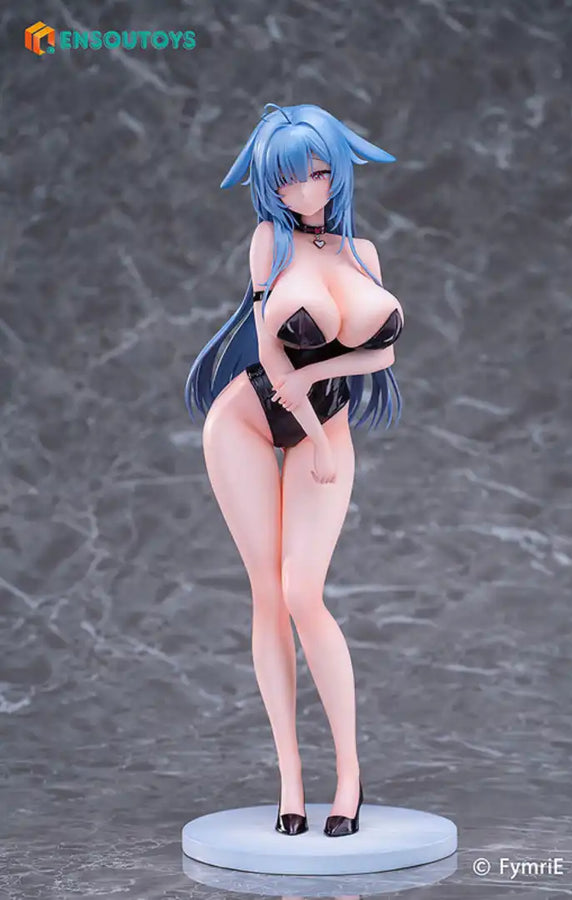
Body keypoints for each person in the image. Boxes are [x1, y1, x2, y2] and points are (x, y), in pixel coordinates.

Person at [185, 102, 404, 837]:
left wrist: (318, 383)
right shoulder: (267, 243)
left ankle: (349, 776)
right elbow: (270, 355)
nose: (305, 190)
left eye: (317, 173)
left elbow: (382, 354)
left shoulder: (361, 252)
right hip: (248, 419)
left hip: (324, 424)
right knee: (266, 594)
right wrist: (308, 416)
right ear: (268, 186)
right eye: (286, 180)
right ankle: (289, 779)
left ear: (339, 169)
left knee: (303, 592)